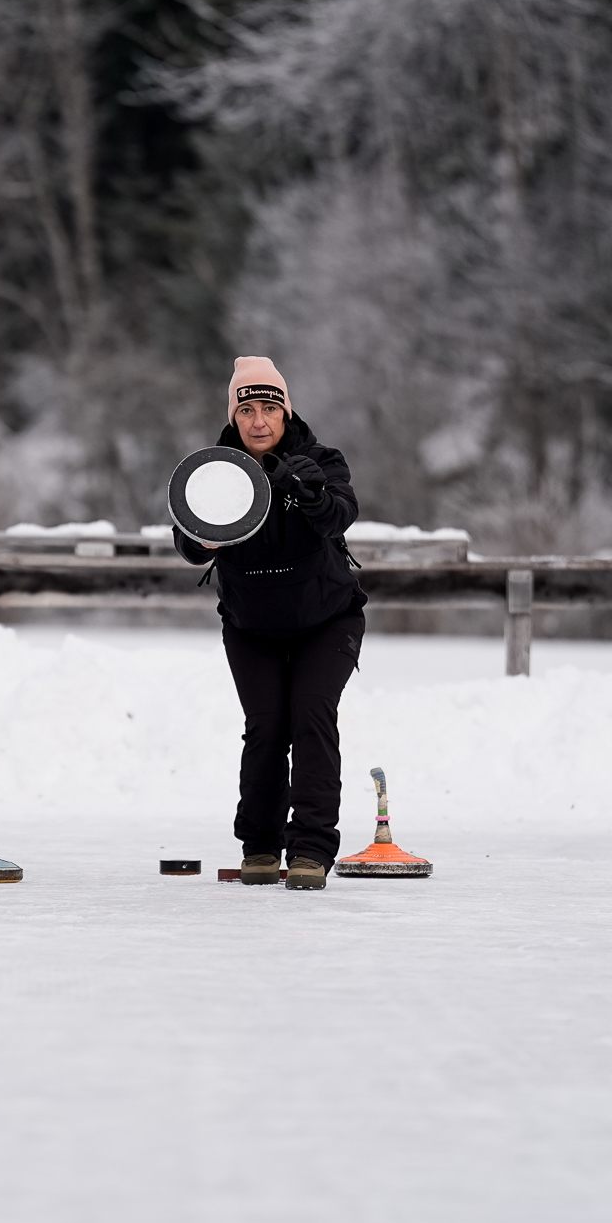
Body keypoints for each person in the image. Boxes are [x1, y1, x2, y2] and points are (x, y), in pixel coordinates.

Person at [174, 357, 365, 891]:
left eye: (269, 408)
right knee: (266, 727)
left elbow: (341, 516)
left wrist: (309, 492)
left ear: (287, 411)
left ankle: (310, 851)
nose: (258, 421)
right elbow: (189, 543)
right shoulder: (216, 470)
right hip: (251, 625)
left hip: (327, 620)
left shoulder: (320, 460)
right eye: (247, 410)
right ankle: (259, 846)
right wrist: (204, 536)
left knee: (311, 716)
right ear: (233, 416)